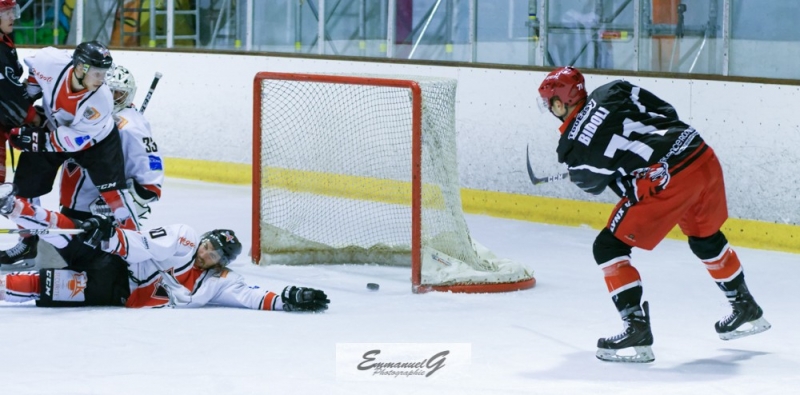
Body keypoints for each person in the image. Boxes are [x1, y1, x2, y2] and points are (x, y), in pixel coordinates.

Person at [537, 66, 770, 363]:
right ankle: (745, 306)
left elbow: (595, 185)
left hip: (669, 178)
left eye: (550, 104)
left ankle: (635, 328)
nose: (551, 109)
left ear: (559, 103)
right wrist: (663, 148)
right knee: (704, 237)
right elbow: (664, 110)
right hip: (699, 153)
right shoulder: (613, 90)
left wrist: (636, 169)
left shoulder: (573, 149)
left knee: (608, 247)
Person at [0, 183, 330, 312]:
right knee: (71, 232)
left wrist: (287, 299)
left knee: (37, 284)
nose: (205, 253)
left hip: (113, 289)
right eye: (208, 245)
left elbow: (251, 296)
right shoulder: (184, 237)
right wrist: (107, 235)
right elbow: (142, 245)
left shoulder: (218, 281)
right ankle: (15, 208)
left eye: (214, 254)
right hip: (116, 262)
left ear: (220, 262)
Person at [0, 41, 141, 265]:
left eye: (104, 73)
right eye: (97, 73)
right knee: (23, 191)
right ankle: (28, 243)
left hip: (97, 143)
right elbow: (36, 71)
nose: (102, 79)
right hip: (54, 129)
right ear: (81, 67)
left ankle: (135, 245)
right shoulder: (51, 61)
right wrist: (29, 96)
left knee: (114, 195)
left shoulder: (100, 100)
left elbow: (72, 141)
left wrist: (34, 139)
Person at [60, 64, 163, 222]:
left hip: (101, 213)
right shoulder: (85, 109)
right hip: (75, 200)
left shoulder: (130, 126)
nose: (113, 97)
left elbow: (150, 178)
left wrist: (129, 203)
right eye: (109, 91)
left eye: (118, 93)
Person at [0, 0, 41, 182]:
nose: (12, 17)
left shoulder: (5, 41)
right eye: (6, 12)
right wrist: (33, 116)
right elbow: (7, 92)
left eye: (12, 11)